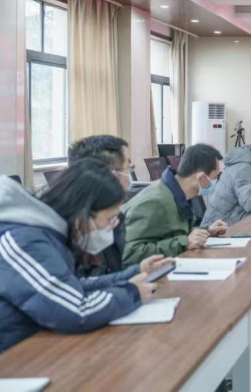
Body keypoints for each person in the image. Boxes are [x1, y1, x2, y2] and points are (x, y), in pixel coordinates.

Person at [0, 160, 160, 353]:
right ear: (82, 213)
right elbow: (75, 310)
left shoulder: (51, 234)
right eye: (109, 219)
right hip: (14, 356)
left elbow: (70, 286)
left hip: (33, 343)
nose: (112, 226)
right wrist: (132, 293)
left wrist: (132, 274)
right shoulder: (25, 240)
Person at [123, 144, 228, 265]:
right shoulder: (156, 202)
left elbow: (169, 233)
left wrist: (206, 231)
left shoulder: (178, 195)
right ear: (200, 178)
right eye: (214, 178)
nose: (215, 182)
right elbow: (129, 254)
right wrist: (184, 242)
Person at [66, 135, 133, 278]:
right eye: (128, 168)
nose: (129, 176)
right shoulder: (71, 228)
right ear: (112, 176)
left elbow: (114, 271)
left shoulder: (114, 217)